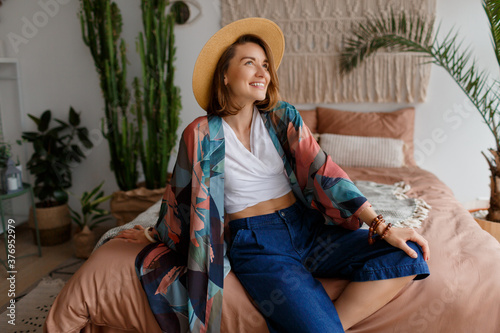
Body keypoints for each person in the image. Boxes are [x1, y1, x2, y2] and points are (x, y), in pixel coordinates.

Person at [115, 17, 430, 333]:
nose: (262, 72)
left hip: (306, 227)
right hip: (256, 243)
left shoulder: (282, 118)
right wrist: (152, 236)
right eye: (249, 63)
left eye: (265, 64)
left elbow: (324, 172)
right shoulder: (201, 134)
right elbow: (182, 199)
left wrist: (381, 226)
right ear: (224, 75)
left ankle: (331, 327)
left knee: (408, 256)